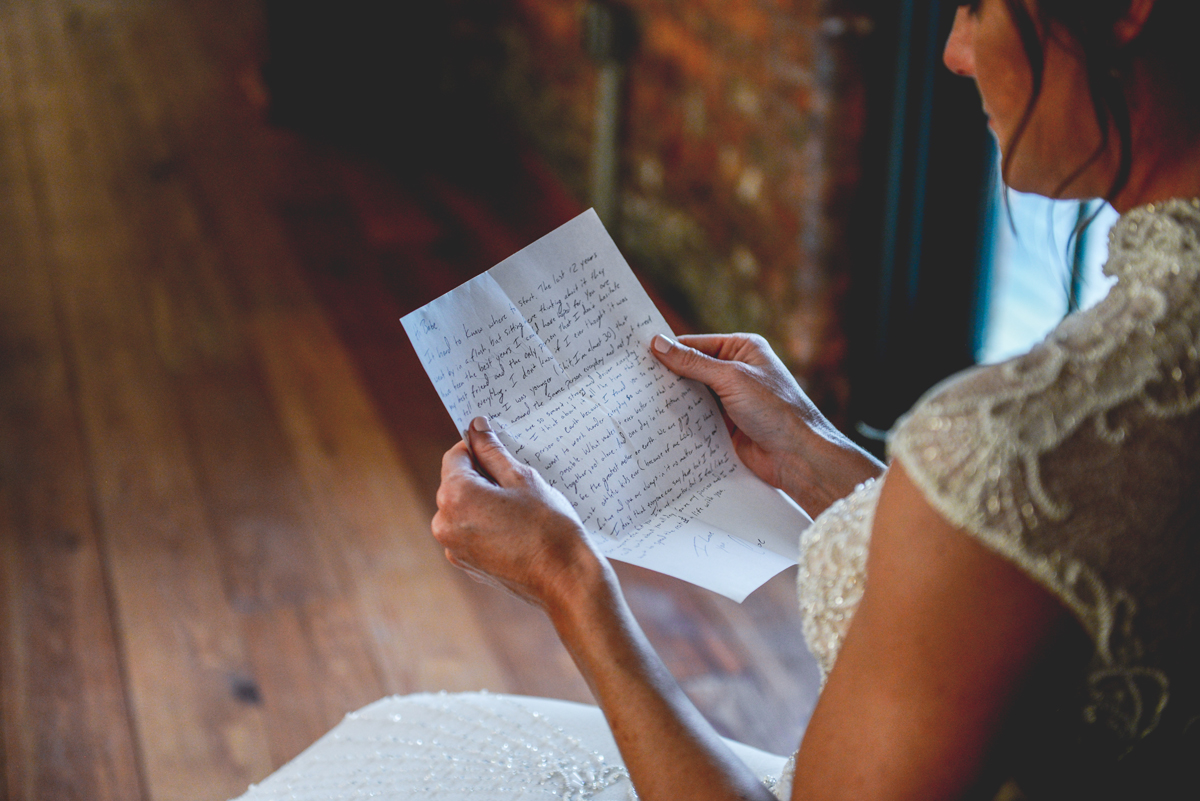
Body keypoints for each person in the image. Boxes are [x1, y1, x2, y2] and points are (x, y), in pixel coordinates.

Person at [233, 0, 1200, 798]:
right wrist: (811, 451)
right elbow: (1022, 570)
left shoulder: (1021, 434)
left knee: (390, 752)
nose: (951, 53)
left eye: (979, 6)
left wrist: (571, 580)